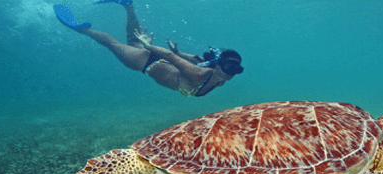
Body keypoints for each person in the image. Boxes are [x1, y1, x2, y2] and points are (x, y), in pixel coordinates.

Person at [53, 0, 244, 97]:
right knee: (112, 43)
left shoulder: (219, 79)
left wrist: (179, 53)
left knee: (130, 39)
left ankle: (128, 4)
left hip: (153, 60)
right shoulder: (197, 74)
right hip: (144, 62)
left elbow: (195, 58)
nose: (231, 74)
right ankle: (82, 29)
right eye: (228, 68)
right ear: (218, 66)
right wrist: (148, 46)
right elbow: (170, 56)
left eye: (236, 70)